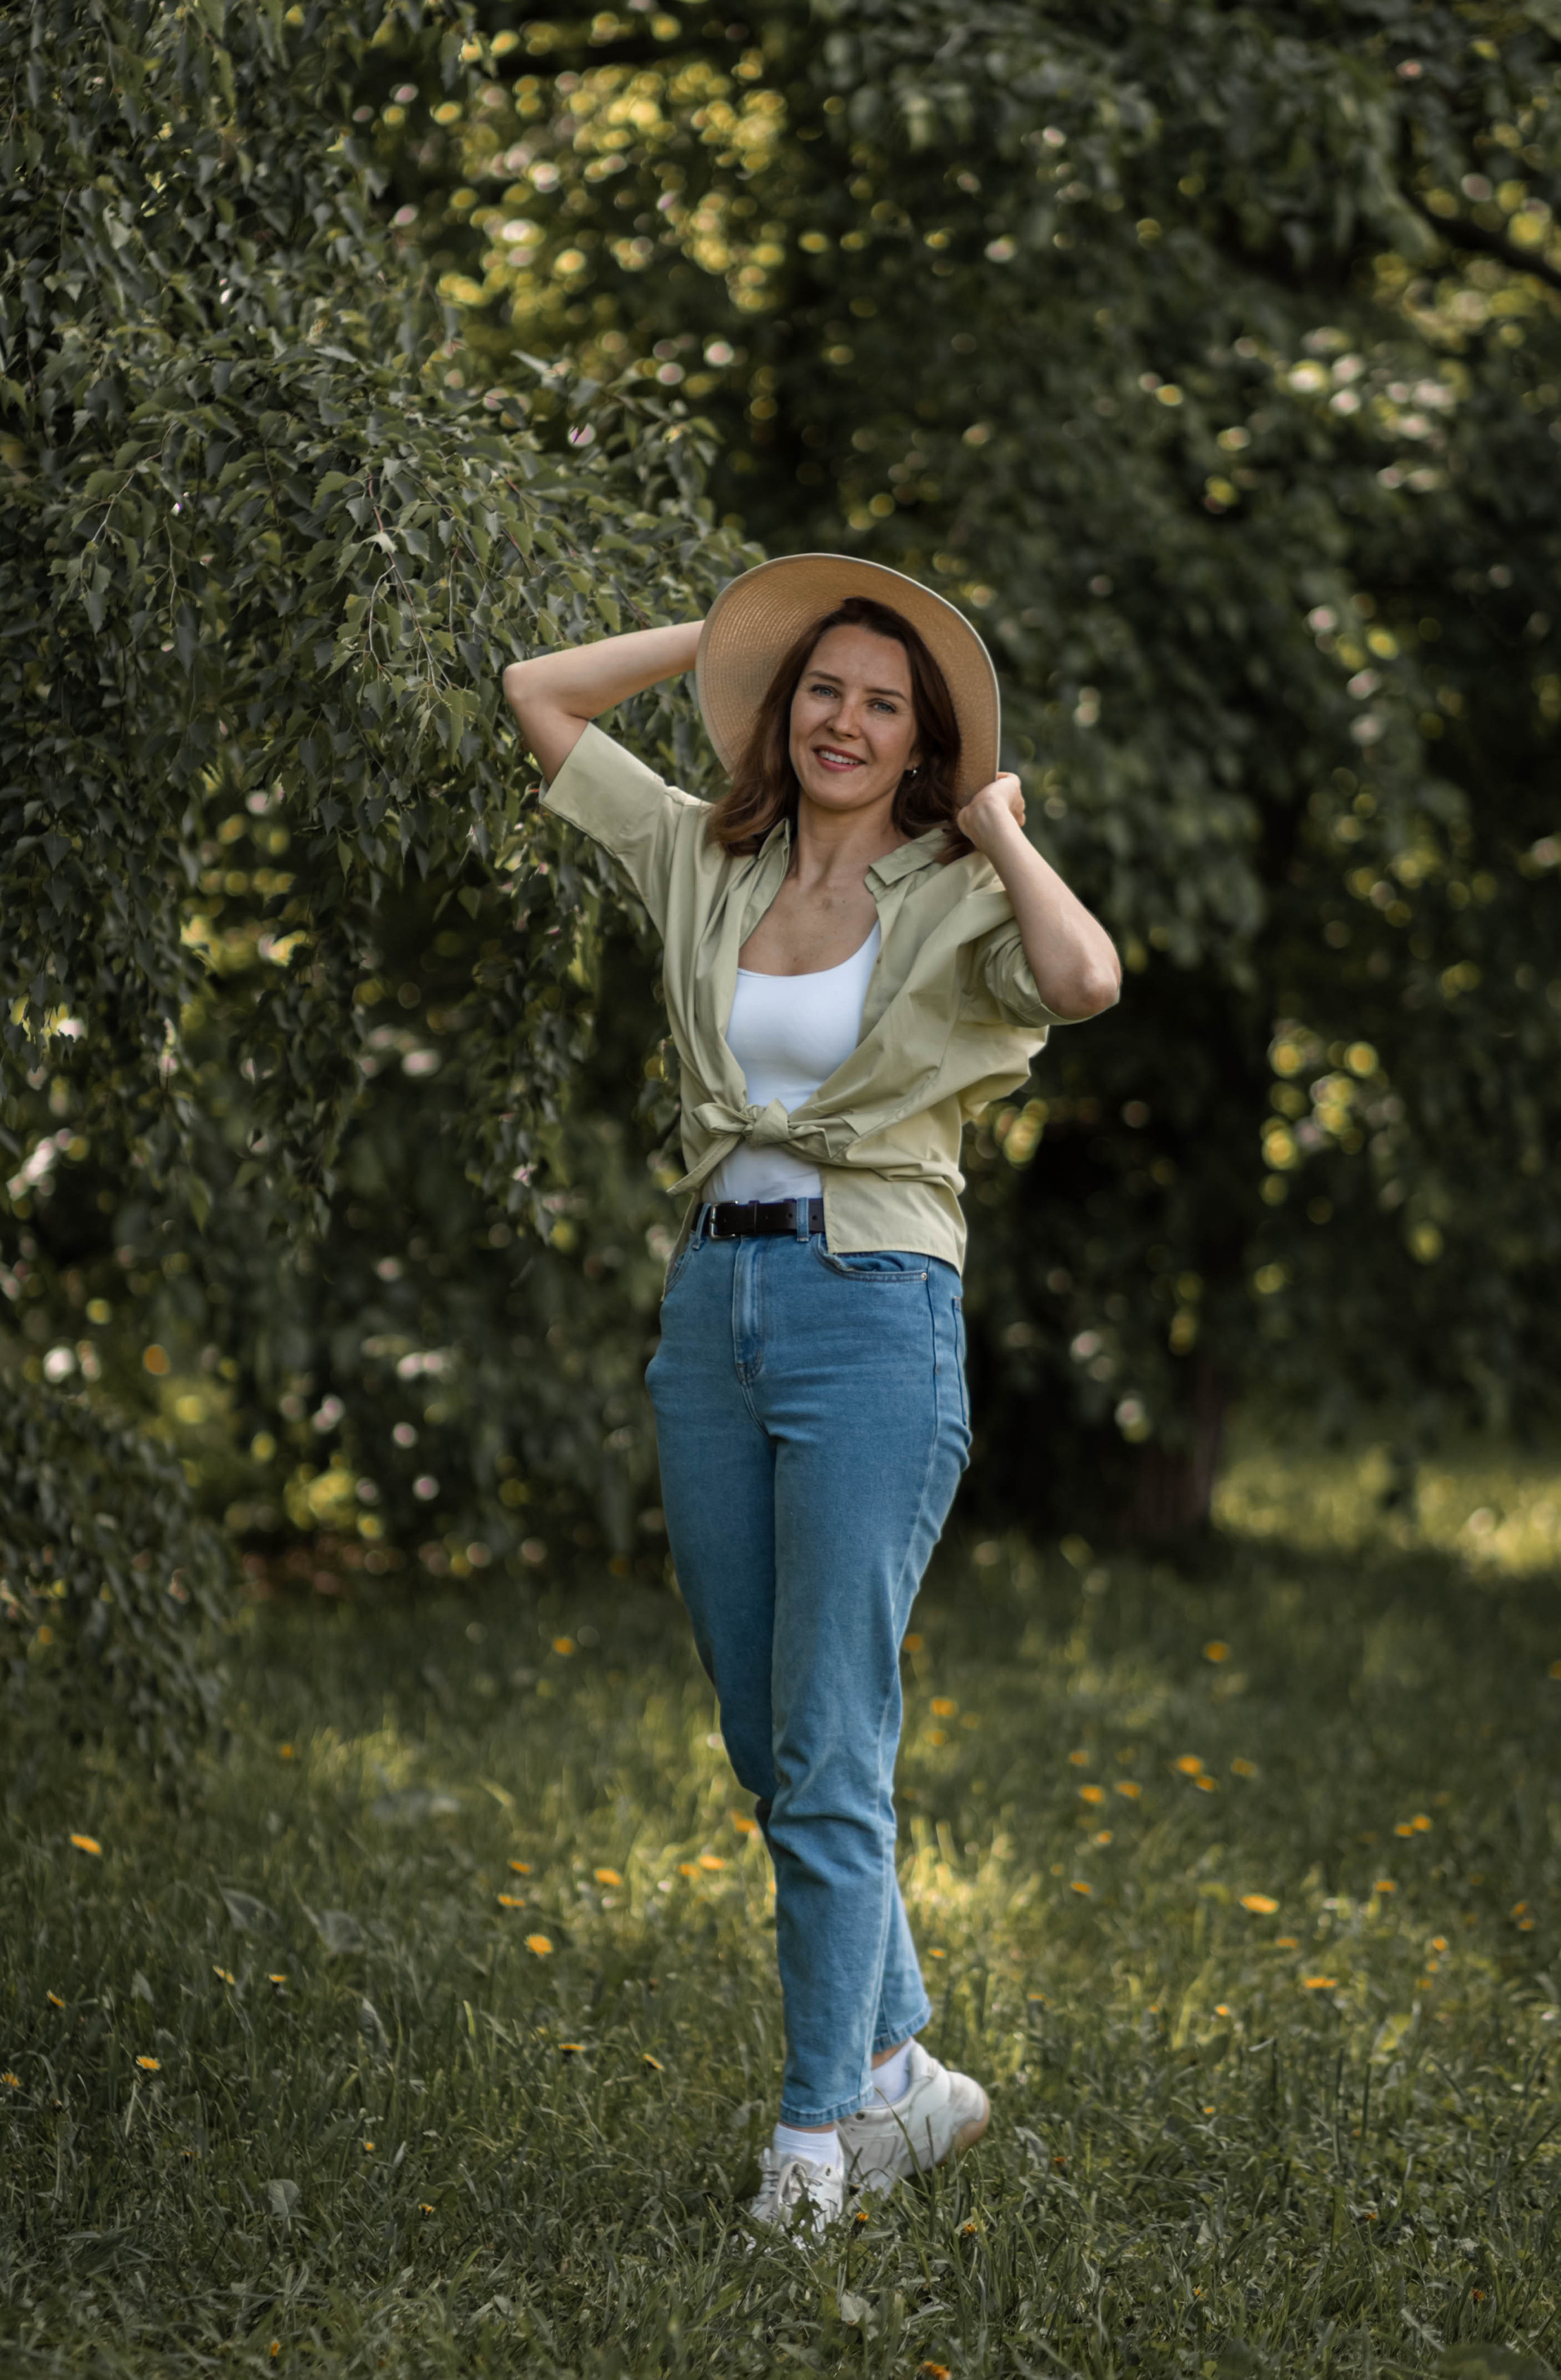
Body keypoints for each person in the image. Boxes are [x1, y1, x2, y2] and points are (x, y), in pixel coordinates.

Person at [502, 554, 1121, 2240]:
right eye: (820, 689)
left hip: (872, 1312)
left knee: (832, 1743)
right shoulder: (705, 858)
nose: (845, 720)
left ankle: (810, 2145)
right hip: (713, 1306)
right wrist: (725, 639)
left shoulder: (956, 889)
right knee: (768, 1739)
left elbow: (1082, 984)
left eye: (882, 702)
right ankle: (902, 2076)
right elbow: (536, 696)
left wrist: (994, 825)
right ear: (788, 713)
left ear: (921, 742)